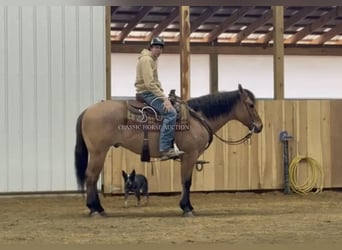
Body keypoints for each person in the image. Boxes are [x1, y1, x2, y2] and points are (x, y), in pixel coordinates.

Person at [134, 37, 184, 160]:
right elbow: (150, 83)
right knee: (171, 113)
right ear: (150, 48)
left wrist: (163, 95)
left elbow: (156, 81)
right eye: (156, 47)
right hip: (147, 93)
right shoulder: (146, 60)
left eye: (161, 48)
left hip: (151, 92)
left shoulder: (152, 60)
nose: (159, 50)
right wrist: (164, 99)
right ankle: (165, 149)